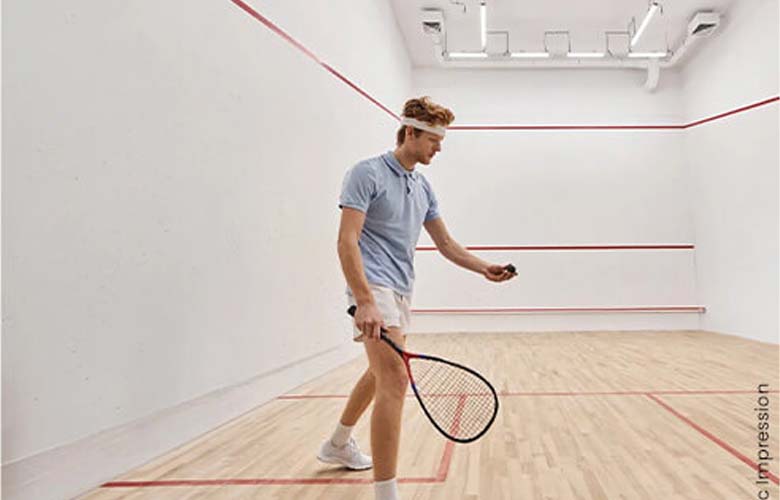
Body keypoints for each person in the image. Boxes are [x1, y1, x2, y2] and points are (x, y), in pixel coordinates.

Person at [317, 96, 516, 500]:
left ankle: (337, 442)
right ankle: (386, 493)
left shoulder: (422, 186)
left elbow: (446, 244)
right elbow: (346, 240)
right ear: (410, 132)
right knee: (394, 378)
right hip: (374, 287)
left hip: (401, 289)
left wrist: (484, 268)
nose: (438, 148)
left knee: (379, 373)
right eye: (433, 140)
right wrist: (364, 300)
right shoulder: (366, 173)